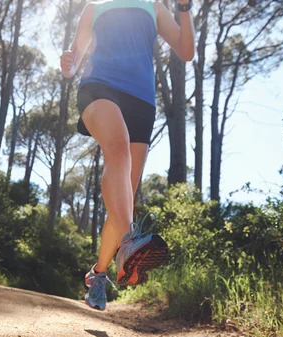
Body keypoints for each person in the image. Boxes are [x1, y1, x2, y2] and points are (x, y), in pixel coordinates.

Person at [60, 0, 195, 310]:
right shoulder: (94, 6)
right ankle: (130, 243)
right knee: (118, 150)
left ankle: (99, 274)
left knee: (125, 195)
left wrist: (184, 8)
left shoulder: (154, 6)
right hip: (99, 86)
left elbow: (185, 51)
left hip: (141, 100)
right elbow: (77, 53)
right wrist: (69, 64)